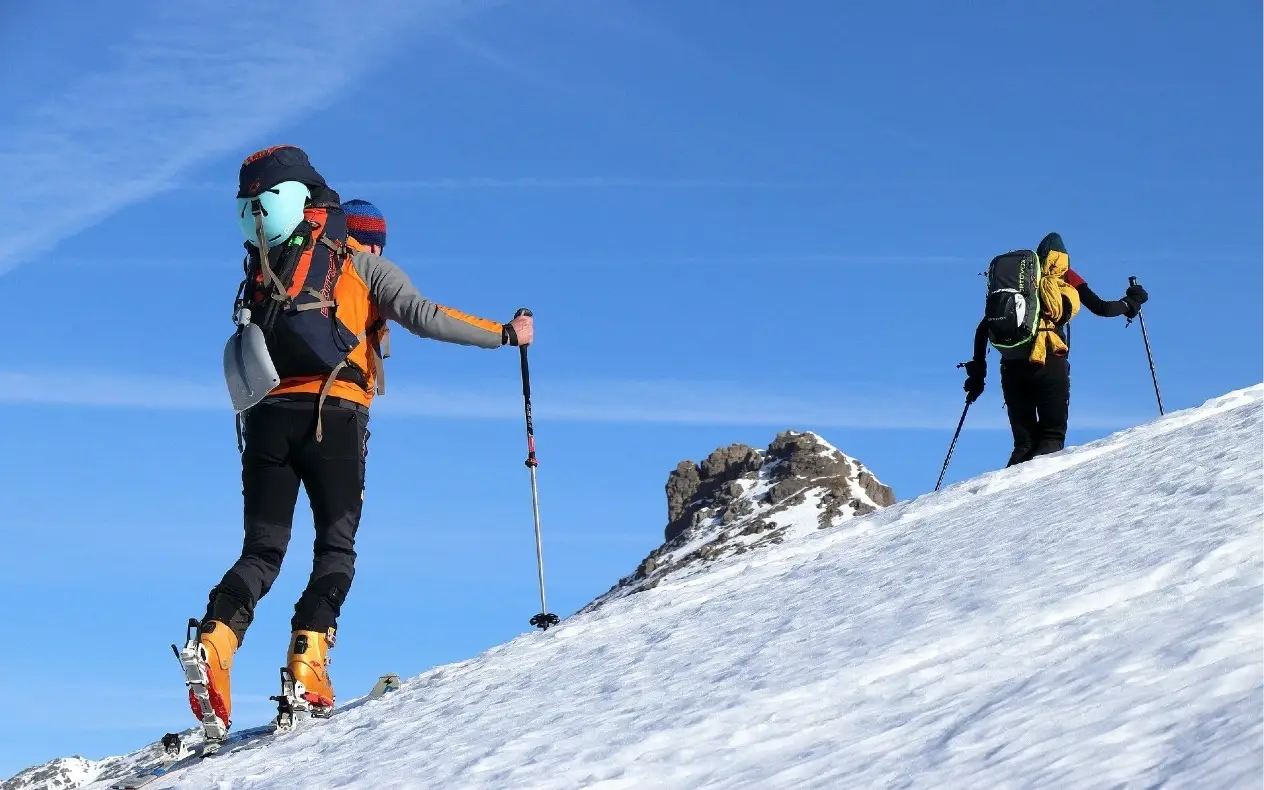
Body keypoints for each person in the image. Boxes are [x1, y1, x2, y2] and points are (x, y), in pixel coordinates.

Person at [191, 145, 534, 736]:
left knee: (262, 551)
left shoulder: (275, 262)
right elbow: (425, 314)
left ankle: (215, 645)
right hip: (336, 418)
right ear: (369, 236)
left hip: (267, 417)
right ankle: (307, 665)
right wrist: (505, 334)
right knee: (336, 548)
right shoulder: (364, 267)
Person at [962, 232, 1148, 467]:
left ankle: (1004, 498)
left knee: (1024, 444)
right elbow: (1101, 307)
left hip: (1011, 366)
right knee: (1051, 437)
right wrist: (1131, 303)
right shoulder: (1065, 275)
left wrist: (978, 374)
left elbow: (983, 327)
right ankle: (1039, 503)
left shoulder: (1024, 282)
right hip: (1049, 361)